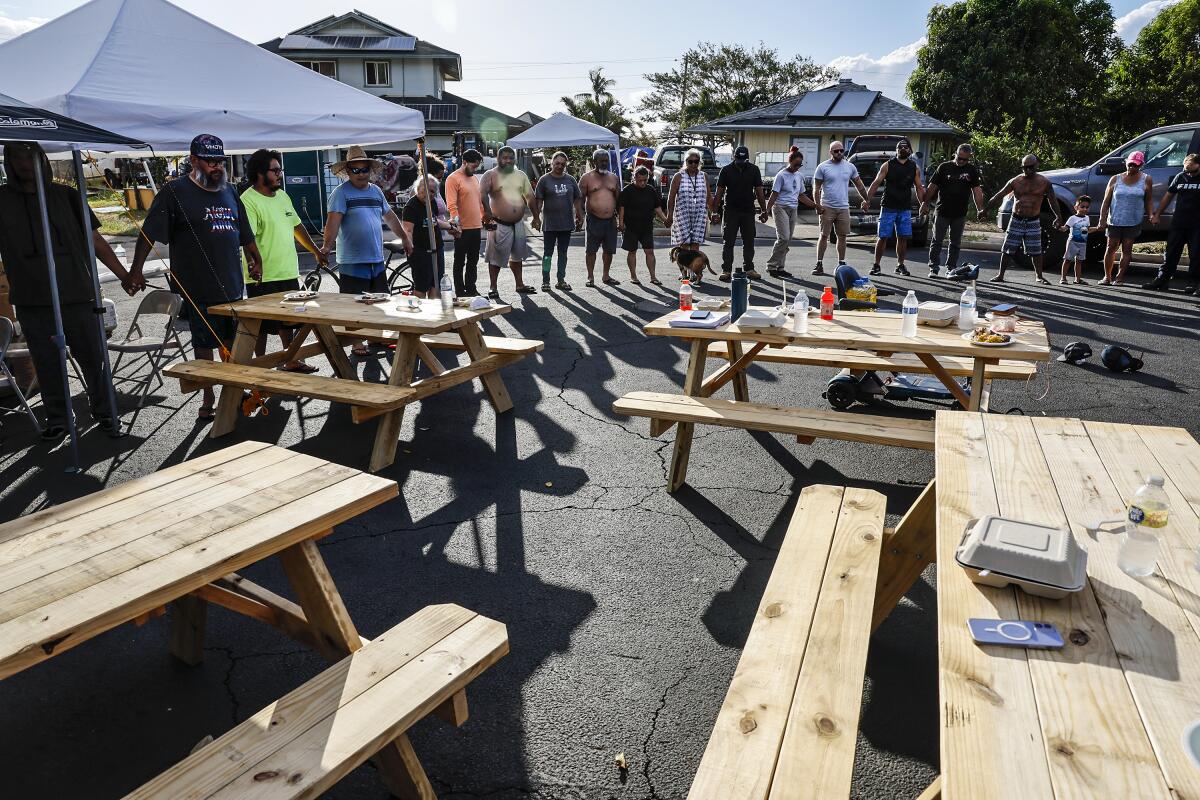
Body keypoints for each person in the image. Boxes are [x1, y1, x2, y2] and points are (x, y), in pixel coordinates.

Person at [0, 142, 137, 438]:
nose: (25, 162)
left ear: (42, 159)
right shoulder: (2, 200)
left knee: (93, 359)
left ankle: (105, 412)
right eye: (17, 156)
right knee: (48, 365)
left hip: (77, 293)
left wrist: (125, 275)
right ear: (8, 161)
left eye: (30, 155)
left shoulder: (67, 196)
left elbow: (96, 241)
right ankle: (59, 418)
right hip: (32, 298)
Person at [131, 134, 262, 421]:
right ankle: (208, 395)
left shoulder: (229, 192)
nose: (217, 166)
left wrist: (256, 258)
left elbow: (245, 233)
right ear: (193, 160)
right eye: (210, 161)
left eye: (220, 161)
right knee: (205, 344)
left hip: (231, 284)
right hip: (196, 287)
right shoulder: (175, 191)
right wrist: (135, 270)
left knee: (233, 342)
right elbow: (149, 232)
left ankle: (235, 389)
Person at [321, 145, 413, 355]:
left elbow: (390, 217)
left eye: (364, 170)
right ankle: (356, 342)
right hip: (353, 259)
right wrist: (326, 246)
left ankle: (375, 337)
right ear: (348, 171)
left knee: (380, 300)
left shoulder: (376, 191)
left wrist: (405, 238)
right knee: (354, 303)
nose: (361, 174)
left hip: (375, 257)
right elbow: (333, 222)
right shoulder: (340, 193)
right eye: (356, 170)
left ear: (370, 170)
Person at [240, 148, 325, 373]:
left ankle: (291, 359)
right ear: (260, 173)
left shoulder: (283, 196)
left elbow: (297, 226)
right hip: (263, 274)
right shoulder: (248, 200)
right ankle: (260, 366)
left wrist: (316, 250)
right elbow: (246, 238)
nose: (280, 174)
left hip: (287, 271)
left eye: (280, 169)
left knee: (288, 322)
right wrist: (252, 263)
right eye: (275, 170)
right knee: (259, 325)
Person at [987, 154, 1061, 284]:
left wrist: (1058, 216)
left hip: (1033, 220)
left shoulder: (1044, 182)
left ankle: (1039, 276)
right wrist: (984, 210)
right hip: (1017, 219)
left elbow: (1052, 200)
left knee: (1036, 250)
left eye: (1030, 167)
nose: (1027, 170)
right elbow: (999, 195)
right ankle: (1000, 275)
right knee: (1008, 248)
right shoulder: (1015, 181)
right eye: (1024, 168)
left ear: (1036, 165)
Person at [861, 138, 924, 276]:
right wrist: (866, 200)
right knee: (882, 237)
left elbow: (919, 187)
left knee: (902, 237)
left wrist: (923, 204)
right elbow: (876, 183)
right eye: (900, 147)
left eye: (906, 147)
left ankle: (900, 265)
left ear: (909, 151)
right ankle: (876, 265)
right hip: (888, 206)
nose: (903, 149)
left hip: (904, 208)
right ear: (896, 150)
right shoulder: (887, 165)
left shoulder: (914, 167)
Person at [480, 145, 536, 299]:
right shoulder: (490, 175)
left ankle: (519, 284)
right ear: (498, 159)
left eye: (511, 158)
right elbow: (483, 195)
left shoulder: (520, 175)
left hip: (518, 223)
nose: (508, 160)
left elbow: (530, 197)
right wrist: (487, 212)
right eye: (504, 157)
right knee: (495, 258)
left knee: (517, 256)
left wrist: (536, 217)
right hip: (499, 223)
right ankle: (493, 287)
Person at [921, 143, 984, 277]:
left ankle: (951, 267)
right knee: (937, 241)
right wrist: (925, 203)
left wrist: (980, 209)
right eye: (959, 158)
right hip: (942, 210)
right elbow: (932, 187)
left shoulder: (971, 170)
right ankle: (934, 267)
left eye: (964, 159)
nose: (961, 161)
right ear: (955, 153)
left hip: (959, 213)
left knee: (955, 242)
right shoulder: (944, 167)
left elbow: (977, 191)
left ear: (969, 158)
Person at [1143, 153, 1200, 293]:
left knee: (1196, 254)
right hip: (1179, 222)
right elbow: (1168, 196)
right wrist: (1157, 214)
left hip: (1197, 224)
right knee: (1170, 253)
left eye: (1191, 170)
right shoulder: (1180, 176)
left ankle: (1193, 283)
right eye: (1186, 169)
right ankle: (1162, 280)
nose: (1188, 173)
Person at [812, 141, 869, 276]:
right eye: (836, 151)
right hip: (827, 206)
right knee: (824, 235)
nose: (839, 153)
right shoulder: (823, 167)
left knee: (842, 236)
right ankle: (819, 263)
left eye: (841, 151)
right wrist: (817, 205)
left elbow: (859, 185)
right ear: (830, 152)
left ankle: (841, 264)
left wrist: (866, 199)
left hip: (843, 207)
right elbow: (816, 188)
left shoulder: (850, 167)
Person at [763, 146, 819, 279]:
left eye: (800, 165)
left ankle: (780, 267)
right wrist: (766, 210)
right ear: (790, 162)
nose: (798, 167)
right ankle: (771, 265)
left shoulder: (799, 176)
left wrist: (816, 206)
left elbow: (801, 195)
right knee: (784, 237)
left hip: (793, 208)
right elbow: (774, 194)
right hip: (780, 207)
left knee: (787, 240)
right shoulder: (781, 175)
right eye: (795, 164)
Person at [1098, 151, 1153, 286]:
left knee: (1127, 249)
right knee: (1111, 247)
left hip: (1133, 220)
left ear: (1141, 165)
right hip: (1115, 219)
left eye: (1136, 165)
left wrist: (1151, 214)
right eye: (1130, 164)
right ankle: (1107, 277)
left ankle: (1120, 277)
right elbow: (1106, 201)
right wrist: (1102, 219)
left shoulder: (1146, 179)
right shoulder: (1115, 179)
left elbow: (1149, 200)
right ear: (1126, 163)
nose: (1132, 167)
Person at [712, 145, 767, 281]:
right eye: (738, 159)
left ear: (747, 159)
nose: (740, 162)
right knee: (728, 241)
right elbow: (719, 192)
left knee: (749, 241)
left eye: (743, 160)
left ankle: (749, 268)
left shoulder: (754, 170)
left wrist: (764, 210)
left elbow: (759, 191)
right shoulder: (726, 170)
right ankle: (726, 270)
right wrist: (714, 211)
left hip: (748, 211)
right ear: (734, 157)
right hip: (731, 210)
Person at [531, 151, 582, 291]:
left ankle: (561, 280)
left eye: (562, 164)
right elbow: (539, 201)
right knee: (547, 254)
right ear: (552, 163)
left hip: (566, 224)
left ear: (566, 165)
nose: (559, 166)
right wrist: (536, 218)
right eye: (557, 163)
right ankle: (545, 281)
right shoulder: (544, 180)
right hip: (550, 225)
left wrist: (580, 215)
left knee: (563, 253)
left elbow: (577, 198)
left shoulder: (570, 180)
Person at [403, 176, 458, 298]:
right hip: (421, 251)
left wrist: (450, 227)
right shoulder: (411, 207)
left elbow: (434, 221)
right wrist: (409, 246)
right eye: (425, 190)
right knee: (421, 286)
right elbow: (407, 230)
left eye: (432, 191)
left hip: (437, 249)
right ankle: (421, 314)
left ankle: (434, 312)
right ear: (418, 189)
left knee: (436, 284)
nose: (428, 194)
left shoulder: (432, 203)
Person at [618, 166, 667, 285]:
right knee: (632, 251)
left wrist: (665, 220)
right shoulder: (627, 190)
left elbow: (657, 208)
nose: (642, 183)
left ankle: (653, 277)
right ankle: (633, 276)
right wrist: (621, 223)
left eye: (645, 180)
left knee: (649, 251)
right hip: (631, 227)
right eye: (640, 180)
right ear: (634, 178)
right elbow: (622, 208)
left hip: (646, 227)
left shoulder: (650, 190)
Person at [579, 149, 621, 287]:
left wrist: (621, 220)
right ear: (594, 162)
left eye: (606, 161)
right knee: (591, 250)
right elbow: (580, 200)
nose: (604, 163)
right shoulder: (586, 178)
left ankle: (606, 275)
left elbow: (619, 201)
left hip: (610, 221)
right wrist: (580, 216)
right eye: (601, 161)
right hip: (593, 219)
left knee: (609, 250)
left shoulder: (614, 178)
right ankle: (590, 277)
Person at [445, 149, 484, 296]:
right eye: (473, 166)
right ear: (465, 162)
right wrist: (457, 225)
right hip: (462, 228)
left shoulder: (474, 179)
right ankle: (460, 292)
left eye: (477, 167)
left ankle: (471, 289)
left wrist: (485, 218)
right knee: (460, 261)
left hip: (476, 226)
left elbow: (478, 203)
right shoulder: (453, 179)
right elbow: (452, 205)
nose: (475, 169)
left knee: (473, 261)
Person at [665, 148, 710, 258]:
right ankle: (684, 273)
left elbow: (709, 196)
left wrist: (713, 213)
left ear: (700, 162)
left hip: (699, 214)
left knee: (695, 243)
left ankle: (693, 273)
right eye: (690, 161)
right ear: (686, 162)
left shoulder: (704, 176)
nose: (693, 164)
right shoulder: (679, 176)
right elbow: (671, 198)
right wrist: (669, 216)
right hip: (682, 214)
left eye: (696, 161)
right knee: (684, 243)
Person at [1056, 195, 1099, 285]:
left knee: (1079, 261)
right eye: (1082, 207)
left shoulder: (1087, 218)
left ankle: (1077, 279)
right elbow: (1065, 228)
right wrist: (1059, 227)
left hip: (1082, 243)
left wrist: (1097, 228)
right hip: (1072, 242)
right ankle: (1063, 278)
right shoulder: (1072, 218)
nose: (1085, 209)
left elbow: (1087, 230)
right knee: (1067, 260)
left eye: (1087, 207)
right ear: (1076, 207)